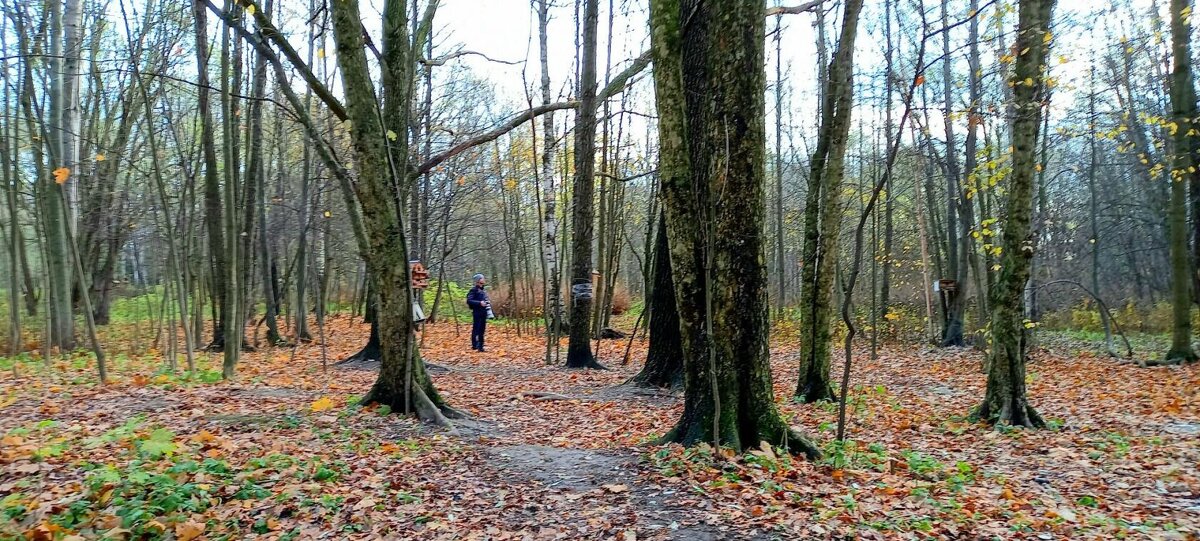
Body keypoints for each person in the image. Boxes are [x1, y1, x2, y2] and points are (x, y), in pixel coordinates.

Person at [466, 273, 492, 351]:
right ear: (478, 280)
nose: (483, 279)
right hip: (477, 312)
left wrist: (487, 303)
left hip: (484, 312)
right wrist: (479, 303)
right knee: (476, 329)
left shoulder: (483, 290)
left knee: (482, 329)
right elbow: (469, 300)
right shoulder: (473, 290)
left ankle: (481, 346)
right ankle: (475, 345)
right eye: (482, 278)